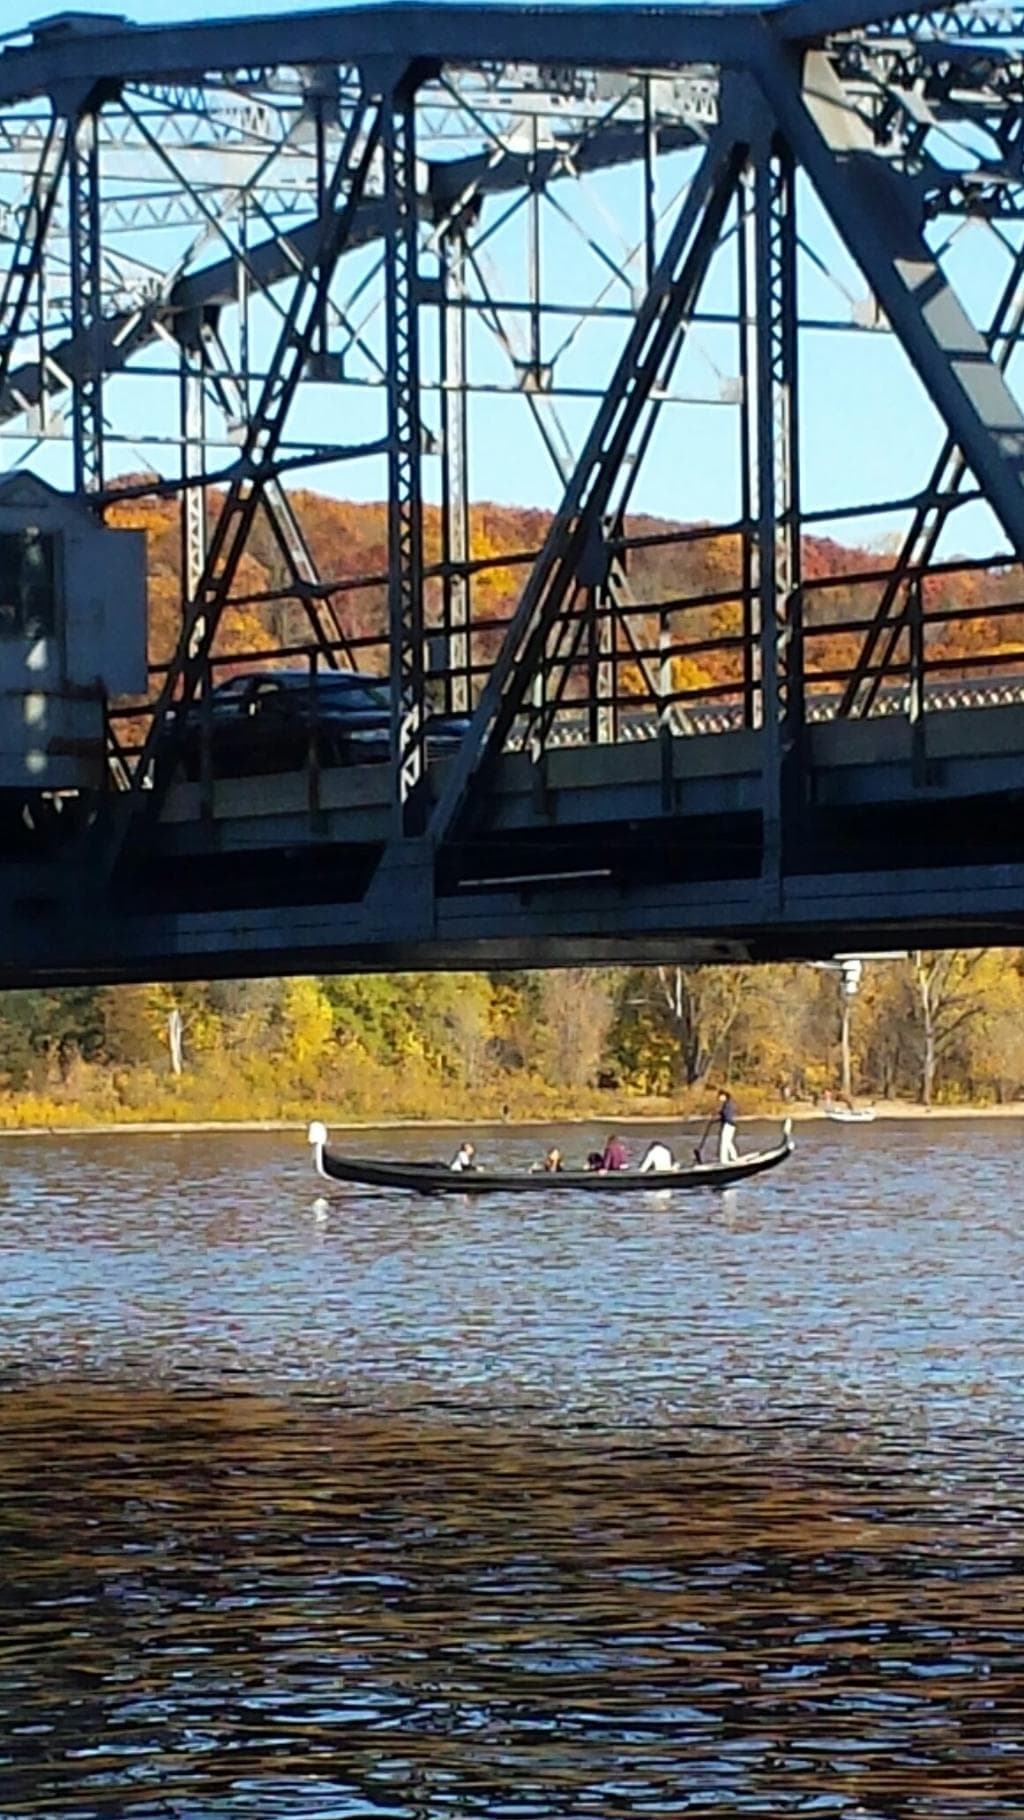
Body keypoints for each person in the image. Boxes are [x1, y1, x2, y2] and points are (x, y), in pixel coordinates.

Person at [717, 1089, 739, 1164]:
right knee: (728, 1142)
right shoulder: (729, 1103)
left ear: (724, 1096)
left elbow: (727, 1115)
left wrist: (720, 1113)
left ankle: (724, 1160)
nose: (719, 1098)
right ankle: (734, 1157)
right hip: (732, 1125)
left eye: (720, 1097)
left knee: (724, 1143)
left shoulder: (727, 1104)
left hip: (728, 1124)